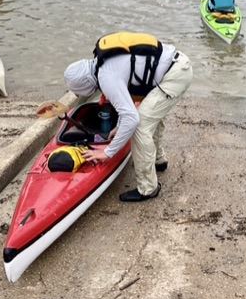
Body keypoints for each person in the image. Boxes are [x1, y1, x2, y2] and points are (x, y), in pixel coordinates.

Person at [63, 32, 194, 201]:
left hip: (174, 76)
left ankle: (148, 188)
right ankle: (158, 161)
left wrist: (108, 152)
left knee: (140, 126)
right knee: (151, 116)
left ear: (84, 84)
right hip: (177, 65)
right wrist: (119, 127)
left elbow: (132, 119)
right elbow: (128, 102)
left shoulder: (106, 77)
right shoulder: (102, 62)